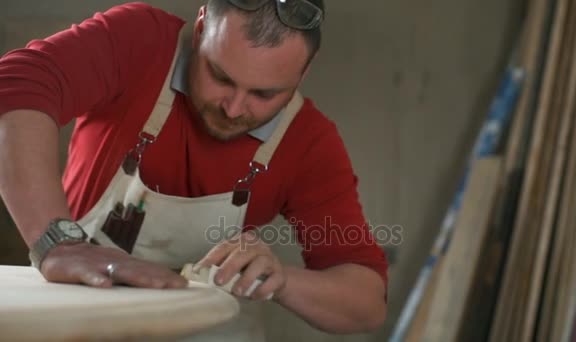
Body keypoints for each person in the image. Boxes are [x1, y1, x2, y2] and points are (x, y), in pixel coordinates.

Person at [0, 0, 388, 339]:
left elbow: (366, 300)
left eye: (265, 94)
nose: (234, 109)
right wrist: (58, 242)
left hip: (210, 334)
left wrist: (283, 281)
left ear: (304, 72)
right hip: (83, 319)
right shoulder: (140, 42)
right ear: (201, 29)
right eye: (220, 77)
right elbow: (15, 85)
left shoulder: (309, 142)